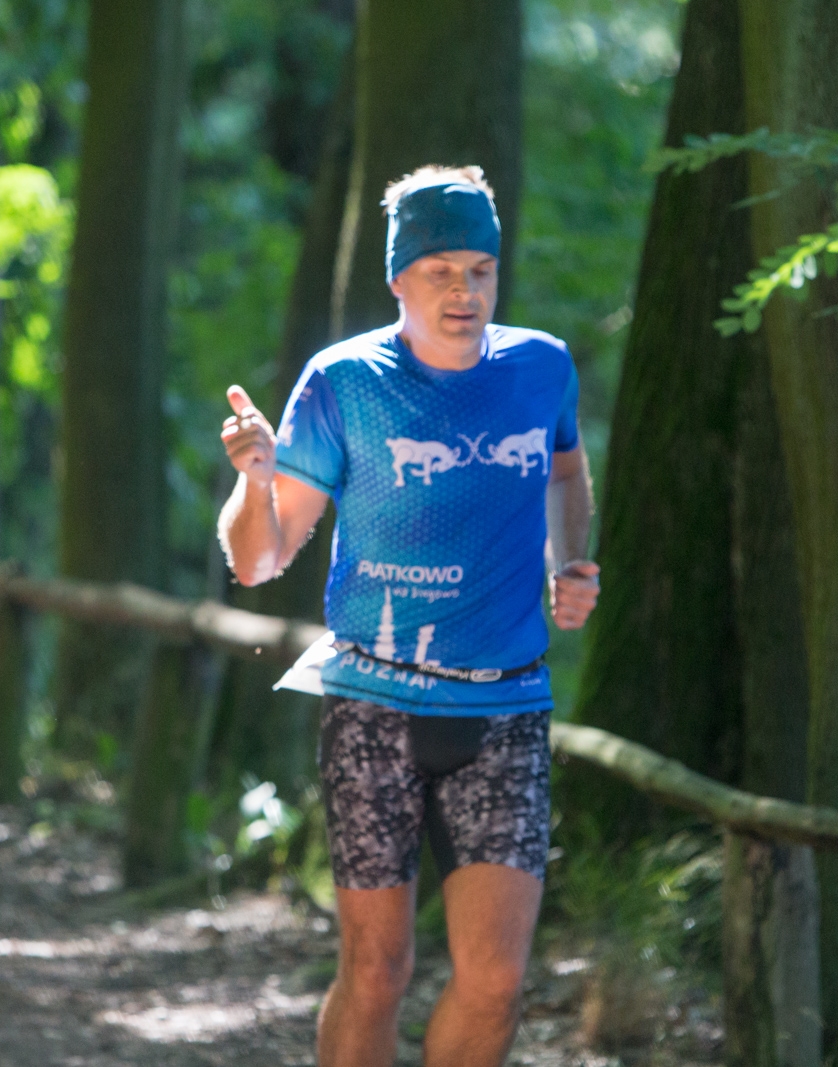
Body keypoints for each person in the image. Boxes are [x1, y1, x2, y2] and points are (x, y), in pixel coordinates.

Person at [218, 165, 599, 1067]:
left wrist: (571, 561)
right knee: (378, 967)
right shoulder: (343, 381)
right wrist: (255, 477)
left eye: (480, 269)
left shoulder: (540, 366)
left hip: (504, 708)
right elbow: (256, 558)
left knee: (497, 979)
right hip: (373, 707)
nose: (464, 291)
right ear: (399, 278)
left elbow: (567, 470)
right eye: (441, 271)